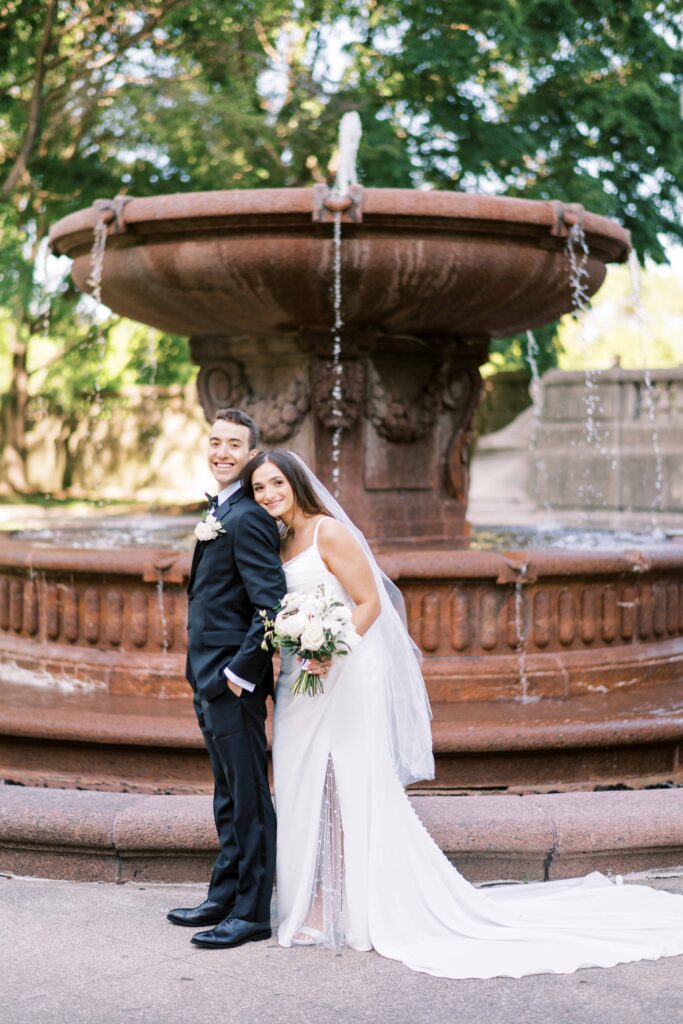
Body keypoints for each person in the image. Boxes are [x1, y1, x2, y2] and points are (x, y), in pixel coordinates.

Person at [242, 448, 683, 979]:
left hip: (345, 667)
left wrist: (329, 648)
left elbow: (369, 603)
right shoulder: (274, 538)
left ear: (293, 483)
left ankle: (336, 905)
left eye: (275, 484)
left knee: (345, 781)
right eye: (258, 488)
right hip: (299, 675)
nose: (267, 495)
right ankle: (313, 895)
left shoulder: (326, 531)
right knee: (298, 778)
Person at [167, 410, 286, 949]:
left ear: (250, 453)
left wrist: (239, 675)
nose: (221, 452)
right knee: (226, 792)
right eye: (215, 442)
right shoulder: (218, 510)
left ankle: (253, 910)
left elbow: (272, 608)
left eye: (233, 445)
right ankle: (224, 892)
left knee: (250, 796)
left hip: (232, 682)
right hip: (208, 678)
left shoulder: (248, 516)